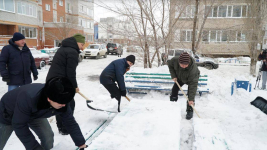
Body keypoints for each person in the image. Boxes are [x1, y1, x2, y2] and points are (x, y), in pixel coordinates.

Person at [0, 77, 87, 150]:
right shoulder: (28, 97)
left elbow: (70, 122)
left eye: (65, 102)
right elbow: (19, 126)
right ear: (49, 99)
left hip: (35, 113)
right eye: (61, 103)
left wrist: (81, 143)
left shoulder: (62, 98)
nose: (64, 105)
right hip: (8, 114)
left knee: (48, 136)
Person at [46, 33, 85, 135]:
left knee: (62, 104)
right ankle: (64, 127)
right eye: (81, 44)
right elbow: (71, 72)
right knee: (68, 104)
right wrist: (74, 86)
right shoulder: (72, 52)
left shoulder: (63, 48)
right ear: (76, 42)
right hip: (59, 82)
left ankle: (62, 126)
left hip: (54, 80)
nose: (82, 47)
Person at [168, 52, 200, 120]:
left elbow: (193, 86)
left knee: (190, 95)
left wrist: (191, 99)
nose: (184, 66)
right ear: (179, 62)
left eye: (186, 65)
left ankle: (190, 110)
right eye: (182, 64)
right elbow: (170, 65)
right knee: (174, 90)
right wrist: (173, 76)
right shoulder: (174, 60)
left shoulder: (193, 70)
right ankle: (173, 106)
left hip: (190, 79)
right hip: (180, 78)